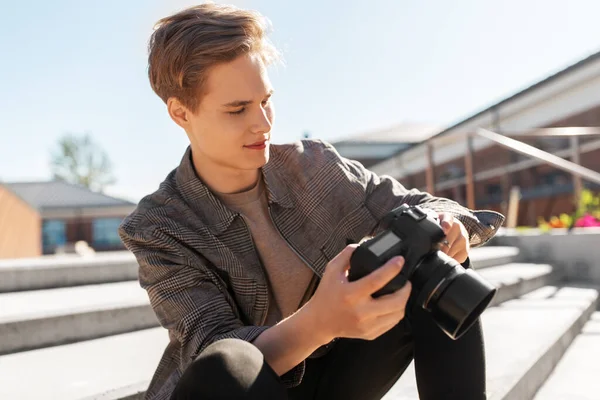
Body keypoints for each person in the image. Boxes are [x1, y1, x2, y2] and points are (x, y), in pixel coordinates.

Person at [118, 4, 505, 400]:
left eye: (265, 100)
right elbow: (209, 350)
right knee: (226, 364)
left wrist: (450, 226)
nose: (264, 124)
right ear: (181, 113)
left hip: (342, 376)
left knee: (431, 259)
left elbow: (423, 205)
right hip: (256, 390)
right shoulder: (158, 226)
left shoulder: (313, 166)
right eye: (237, 110)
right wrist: (320, 323)